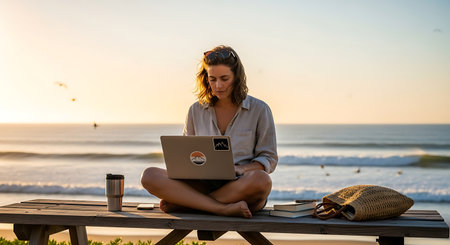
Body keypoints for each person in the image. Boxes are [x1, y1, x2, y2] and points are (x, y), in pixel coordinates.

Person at [141, 45, 277, 218]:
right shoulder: (195, 110)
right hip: (202, 183)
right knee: (149, 175)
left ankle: (190, 204)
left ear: (236, 77)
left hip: (241, 186)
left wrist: (241, 169)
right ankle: (220, 208)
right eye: (212, 79)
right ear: (205, 79)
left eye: (224, 78)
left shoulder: (260, 110)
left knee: (262, 180)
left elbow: (269, 158)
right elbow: (185, 153)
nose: (218, 85)